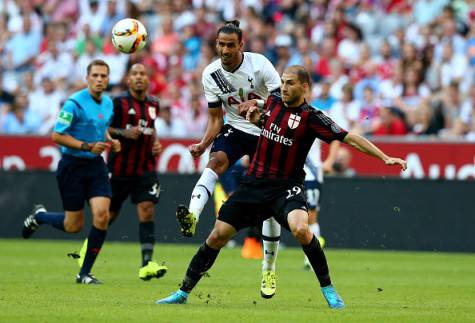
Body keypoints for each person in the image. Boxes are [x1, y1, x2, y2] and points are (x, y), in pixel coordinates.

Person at [156, 65, 406, 307]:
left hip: (286, 188)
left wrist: (384, 157)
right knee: (217, 235)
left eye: (290, 83)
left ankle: (328, 289)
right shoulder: (273, 102)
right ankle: (183, 291)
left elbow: (349, 138)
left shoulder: (312, 117)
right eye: (283, 82)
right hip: (254, 185)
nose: (283, 87)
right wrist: (253, 112)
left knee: (301, 230)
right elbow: (263, 117)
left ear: (305, 87)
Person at [174, 20, 282, 298]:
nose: (224, 50)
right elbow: (215, 119)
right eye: (220, 44)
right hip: (236, 128)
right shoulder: (211, 74)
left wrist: (257, 104)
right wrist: (203, 143)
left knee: (270, 202)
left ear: (241, 45)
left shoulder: (260, 66)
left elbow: (284, 102)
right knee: (215, 161)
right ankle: (193, 216)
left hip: (267, 131)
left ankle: (268, 268)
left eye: (230, 45)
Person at [22, 59, 121, 284]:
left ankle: (84, 273)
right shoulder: (74, 104)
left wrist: (110, 141)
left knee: (102, 215)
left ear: (108, 79)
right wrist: (86, 146)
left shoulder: (108, 103)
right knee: (73, 225)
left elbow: (101, 127)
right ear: (87, 78)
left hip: (95, 166)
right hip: (72, 166)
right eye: (95, 75)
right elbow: (57, 135)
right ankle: (40, 217)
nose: (99, 79)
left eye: (103, 76)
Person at [74, 63, 168, 281]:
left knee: (147, 209)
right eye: (134, 74)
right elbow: (104, 128)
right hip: (118, 170)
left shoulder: (154, 103)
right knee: (108, 216)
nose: (138, 77)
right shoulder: (117, 103)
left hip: (145, 168)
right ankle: (87, 249)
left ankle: (147, 264)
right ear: (128, 79)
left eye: (142, 73)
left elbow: (150, 128)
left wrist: (156, 143)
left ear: (148, 79)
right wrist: (123, 133)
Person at [302, 139, 340, 270]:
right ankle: (316, 243)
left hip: (311, 174)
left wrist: (329, 161)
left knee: (309, 218)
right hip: (291, 174)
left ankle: (311, 258)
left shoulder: (315, 118)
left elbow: (335, 138)